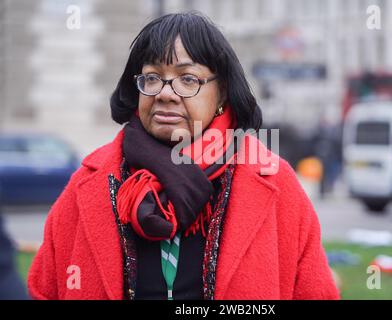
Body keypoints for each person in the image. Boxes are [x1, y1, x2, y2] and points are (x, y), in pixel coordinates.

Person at [28, 12, 339, 300]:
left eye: (187, 79)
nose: (164, 92)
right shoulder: (90, 180)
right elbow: (45, 289)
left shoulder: (273, 181)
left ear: (223, 92)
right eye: (151, 77)